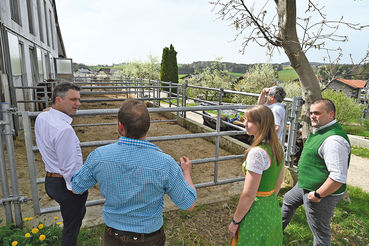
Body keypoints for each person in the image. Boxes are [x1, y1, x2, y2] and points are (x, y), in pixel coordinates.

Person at [71, 99, 197, 246]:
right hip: (149, 238)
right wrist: (186, 172)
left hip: (113, 236)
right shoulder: (165, 163)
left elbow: (76, 187)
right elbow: (189, 204)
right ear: (147, 127)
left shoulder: (99, 156)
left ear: (120, 126)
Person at [281, 99, 350, 246]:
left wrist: (319, 194)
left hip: (321, 193)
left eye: (317, 113)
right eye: (311, 113)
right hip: (305, 184)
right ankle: (275, 232)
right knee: (288, 200)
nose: (312, 116)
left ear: (330, 115)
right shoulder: (321, 130)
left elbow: (338, 177)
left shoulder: (333, 140)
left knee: (320, 233)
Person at [35, 82, 88, 246]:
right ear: (58, 100)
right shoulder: (63, 130)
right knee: (71, 229)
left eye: (79, 99)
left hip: (50, 180)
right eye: (73, 99)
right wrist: (76, 187)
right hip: (65, 184)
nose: (78, 104)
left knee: (75, 216)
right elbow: (68, 166)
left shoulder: (42, 117)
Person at [229, 105, 285, 245]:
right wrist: (268, 198)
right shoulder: (277, 147)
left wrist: (235, 221)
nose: (244, 124)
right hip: (271, 205)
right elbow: (278, 182)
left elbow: (249, 194)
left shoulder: (257, 153)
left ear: (262, 124)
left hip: (255, 210)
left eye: (249, 121)